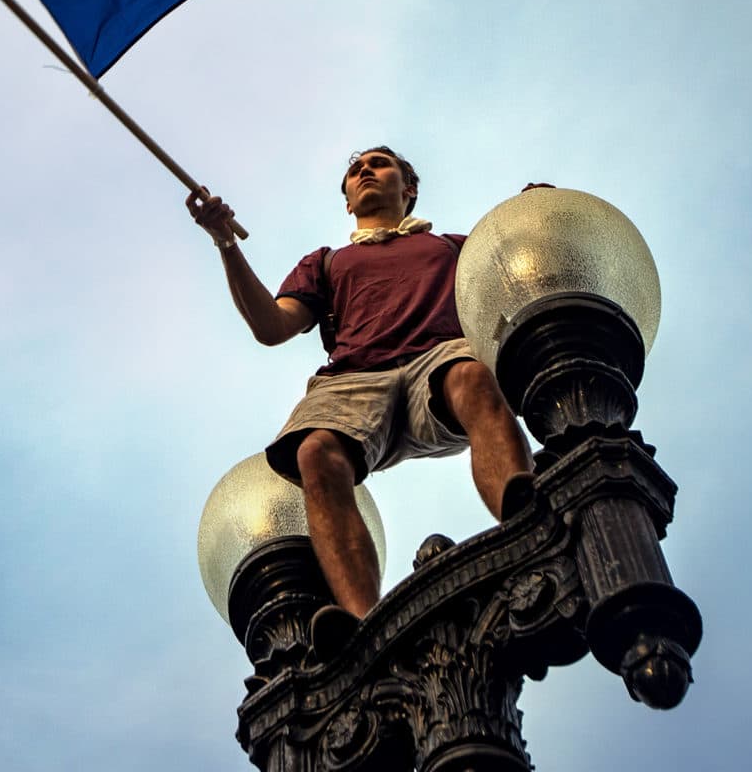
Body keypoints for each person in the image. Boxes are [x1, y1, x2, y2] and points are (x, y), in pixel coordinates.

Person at [187, 147, 537, 620]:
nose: (365, 171)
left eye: (378, 164)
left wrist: (534, 217)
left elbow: (519, 257)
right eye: (355, 171)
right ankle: (362, 625)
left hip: (438, 357)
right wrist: (226, 243)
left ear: (408, 189)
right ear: (348, 203)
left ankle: (526, 522)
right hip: (354, 377)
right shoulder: (327, 263)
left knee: (472, 377)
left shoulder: (455, 247)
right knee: (314, 453)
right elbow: (271, 326)